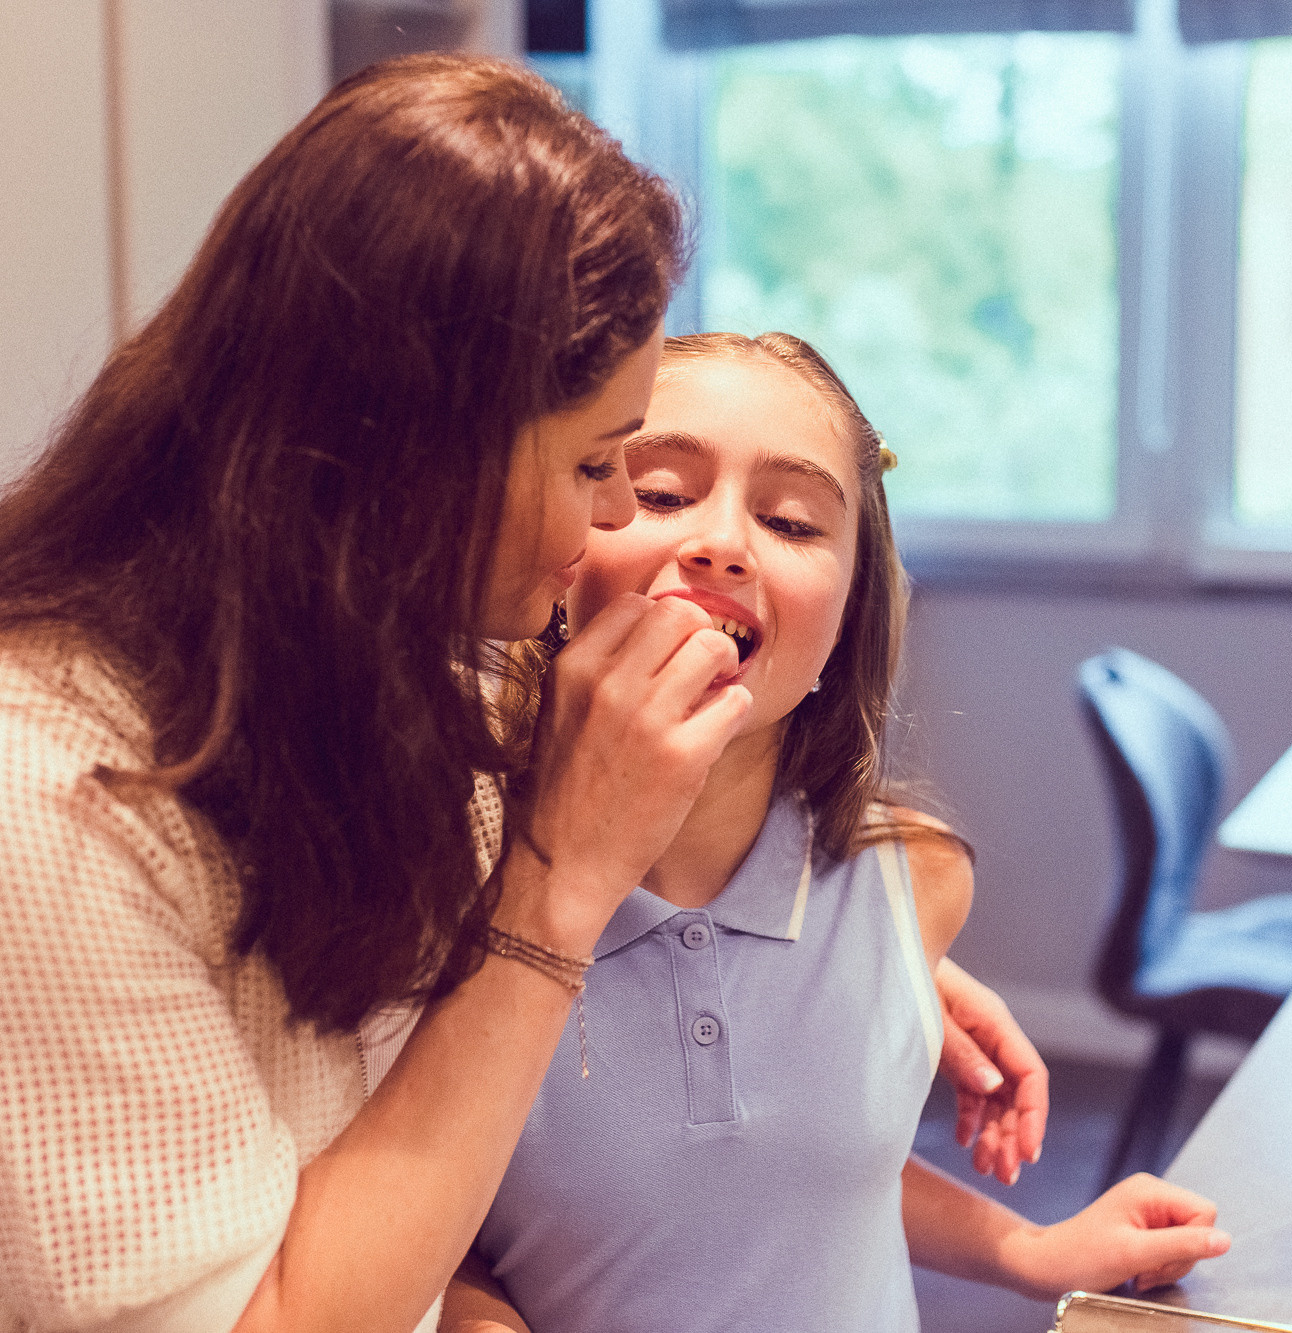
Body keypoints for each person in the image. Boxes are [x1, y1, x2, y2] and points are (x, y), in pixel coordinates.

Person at [0, 57, 1043, 1333]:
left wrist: (868, 982)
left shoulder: (390, 673)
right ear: (416, 457)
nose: (616, 516)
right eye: (602, 466)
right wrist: (556, 886)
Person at [446, 333, 1233, 1333]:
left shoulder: (914, 880)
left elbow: (810, 1178)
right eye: (658, 493)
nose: (722, 543)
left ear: (848, 614)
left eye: (788, 520)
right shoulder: (451, 881)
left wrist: (1029, 1249)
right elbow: (429, 1214)